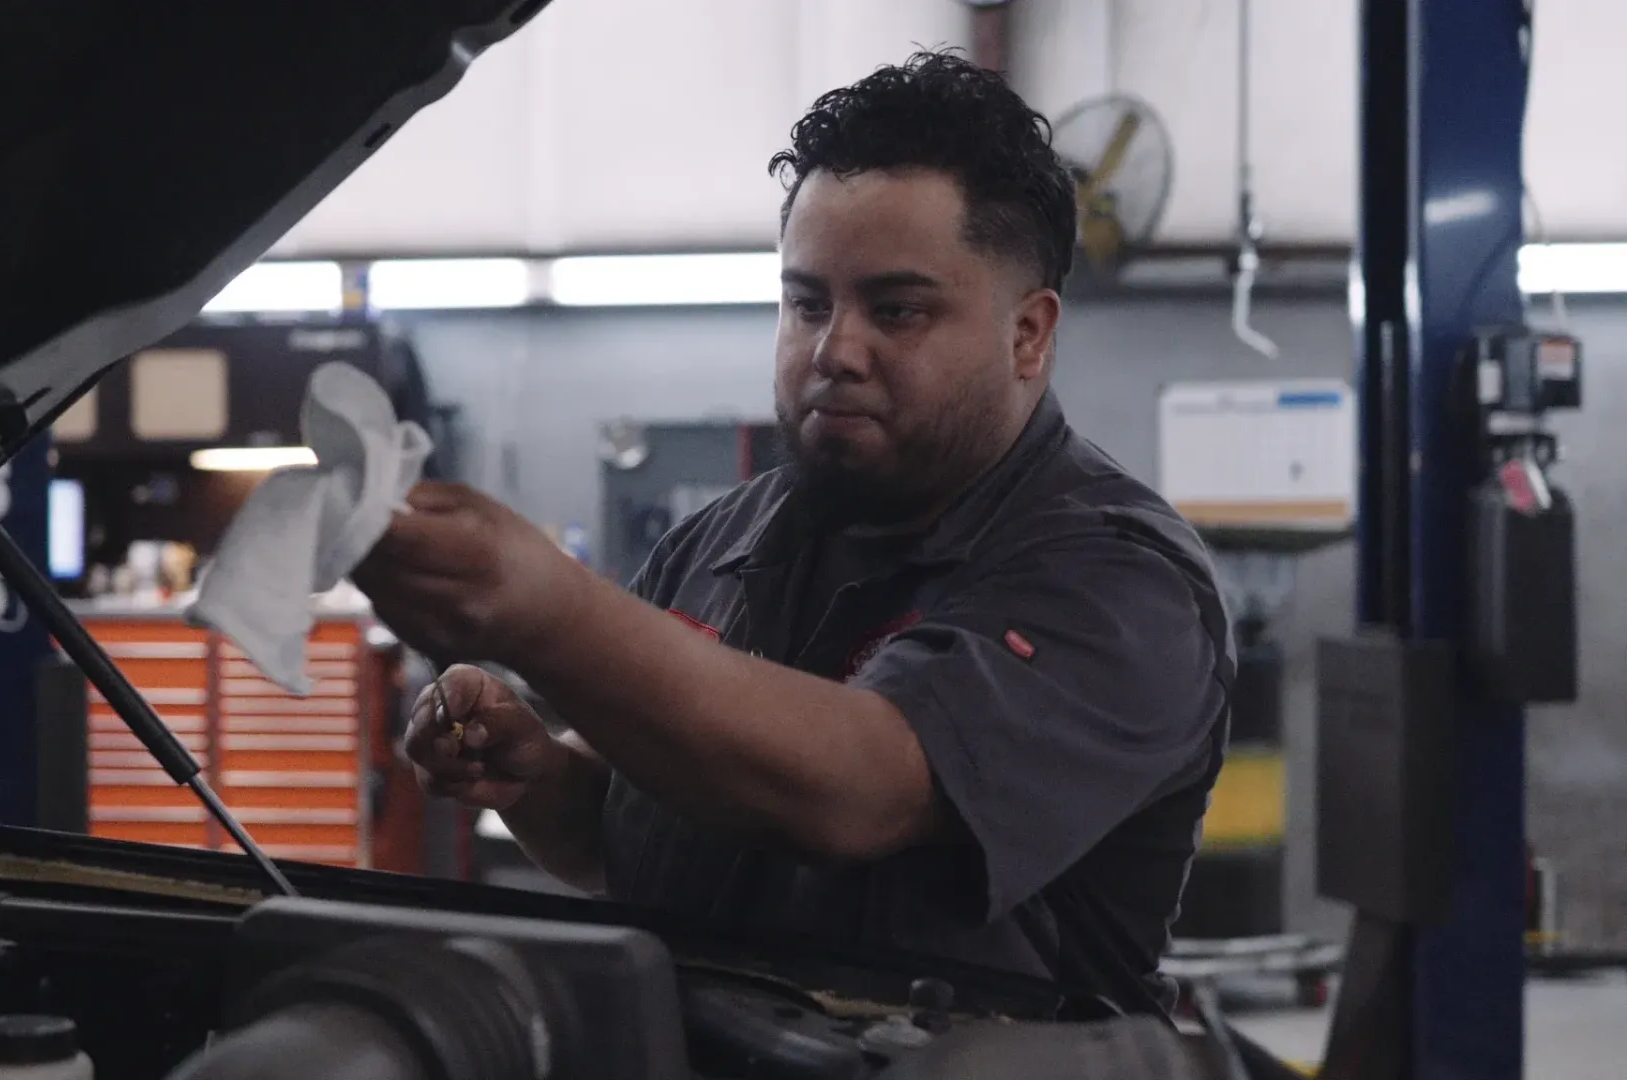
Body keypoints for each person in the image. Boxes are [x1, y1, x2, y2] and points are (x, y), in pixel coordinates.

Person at [352, 51, 1233, 1014]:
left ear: (1029, 334)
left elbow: (859, 789)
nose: (833, 351)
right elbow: (629, 836)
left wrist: (549, 617)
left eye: (897, 310)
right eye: (807, 301)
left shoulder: (1121, 581)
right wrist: (539, 779)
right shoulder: (723, 541)